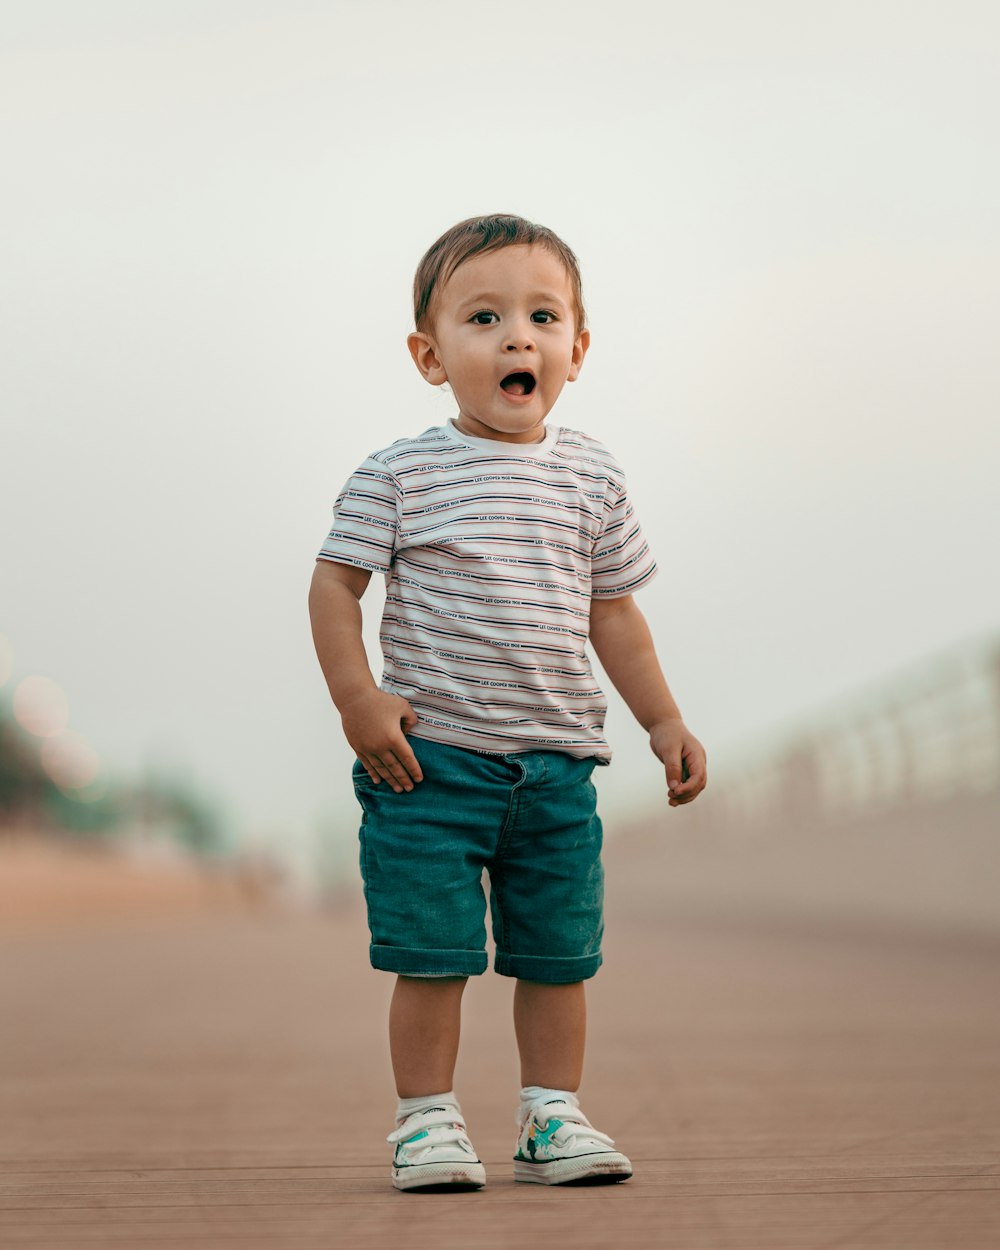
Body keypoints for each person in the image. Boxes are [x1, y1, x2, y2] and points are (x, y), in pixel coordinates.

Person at [309, 214, 707, 1192]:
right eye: (483, 317)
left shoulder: (591, 475)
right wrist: (358, 699)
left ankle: (550, 1114)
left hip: (559, 769)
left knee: (557, 957)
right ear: (429, 355)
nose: (516, 337)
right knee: (432, 953)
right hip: (427, 765)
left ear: (576, 346)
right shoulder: (398, 473)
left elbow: (615, 616)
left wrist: (662, 718)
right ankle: (426, 1119)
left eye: (541, 316)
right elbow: (333, 587)